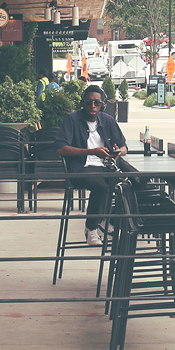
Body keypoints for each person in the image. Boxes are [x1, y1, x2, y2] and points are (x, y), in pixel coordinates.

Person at [55, 85, 128, 246]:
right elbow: (60, 148)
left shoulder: (107, 120)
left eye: (97, 103)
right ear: (83, 103)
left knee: (130, 183)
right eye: (89, 103)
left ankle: (106, 219)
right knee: (101, 186)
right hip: (80, 168)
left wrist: (117, 153)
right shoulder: (72, 119)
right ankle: (91, 229)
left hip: (105, 166)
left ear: (103, 104)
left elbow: (123, 146)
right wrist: (92, 151)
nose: (93, 106)